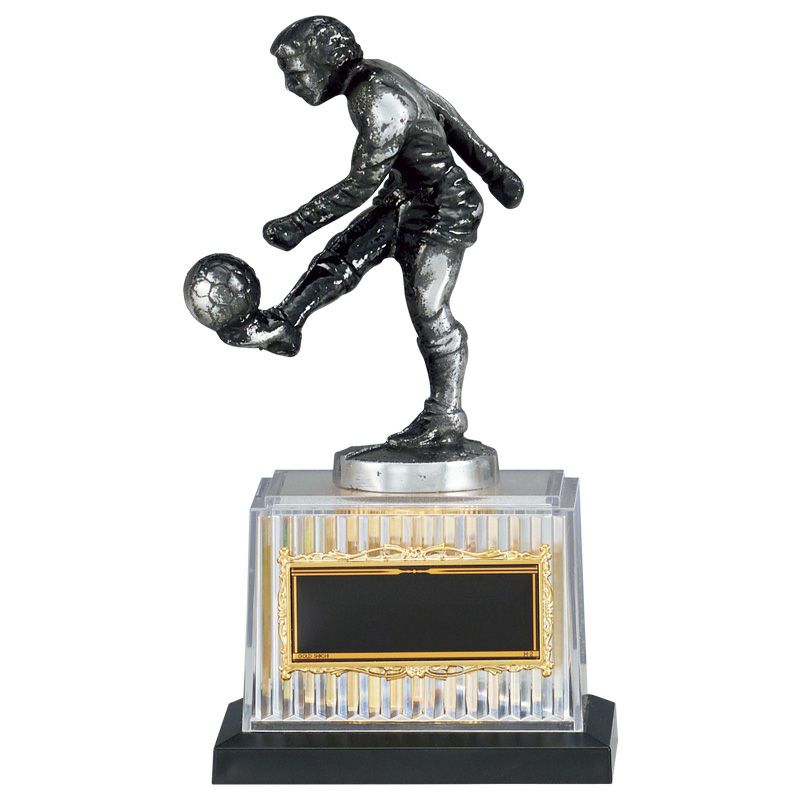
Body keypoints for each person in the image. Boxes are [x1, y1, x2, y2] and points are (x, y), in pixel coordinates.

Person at [221, 16, 523, 447]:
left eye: (295, 72)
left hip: (444, 209)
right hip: (405, 196)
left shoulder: (377, 99)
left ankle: (445, 415)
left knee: (429, 311)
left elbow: (360, 185)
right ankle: (286, 322)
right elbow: (445, 115)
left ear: (325, 60)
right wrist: (497, 174)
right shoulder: (378, 74)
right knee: (342, 256)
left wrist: (298, 223)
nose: (290, 85)